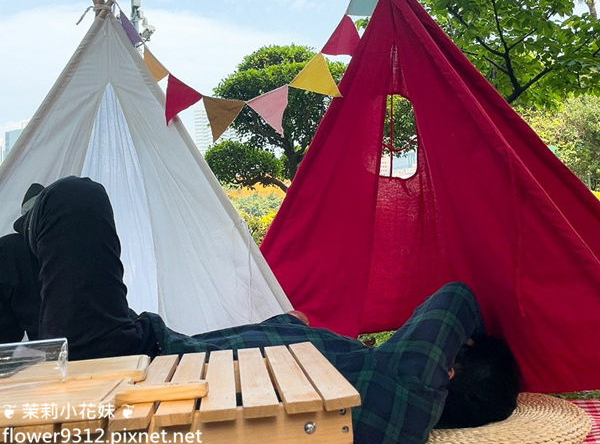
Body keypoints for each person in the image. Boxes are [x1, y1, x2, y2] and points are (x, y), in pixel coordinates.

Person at [3, 176, 519, 444]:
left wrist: (464, 335)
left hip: (124, 370)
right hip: (140, 358)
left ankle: (37, 217)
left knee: (75, 200)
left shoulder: (409, 387)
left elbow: (458, 296)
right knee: (14, 264)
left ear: (450, 362)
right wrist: (287, 330)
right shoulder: (380, 388)